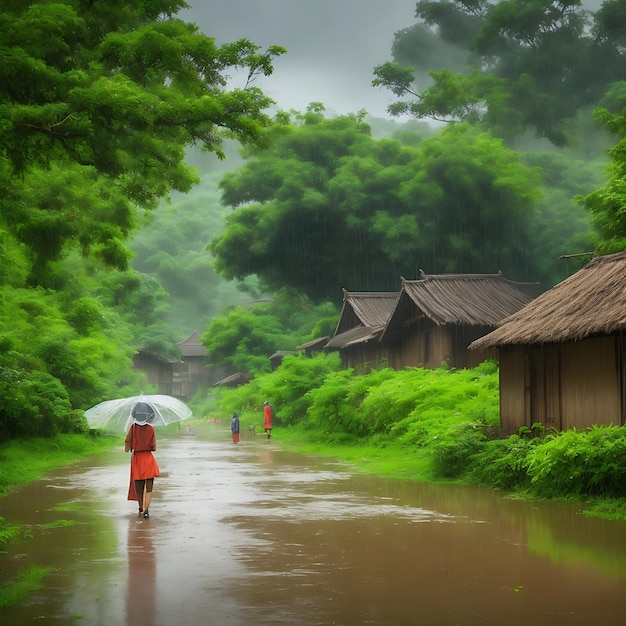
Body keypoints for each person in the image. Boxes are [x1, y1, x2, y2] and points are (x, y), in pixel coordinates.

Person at [125, 401, 160, 518]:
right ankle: (146, 508)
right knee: (149, 486)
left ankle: (140, 507)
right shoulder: (151, 429)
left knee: (139, 486)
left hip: (137, 459)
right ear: (148, 415)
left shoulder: (133, 428)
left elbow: (127, 444)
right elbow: (153, 447)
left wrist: (132, 447)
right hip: (148, 459)